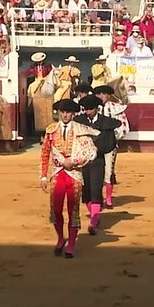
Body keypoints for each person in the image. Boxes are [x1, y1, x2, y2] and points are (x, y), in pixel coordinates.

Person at [39, 99, 99, 258]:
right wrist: (44, 176)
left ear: (73, 114)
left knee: (73, 210)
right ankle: (60, 239)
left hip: (74, 174)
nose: (65, 115)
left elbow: (91, 152)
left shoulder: (81, 130)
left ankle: (71, 243)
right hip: (58, 173)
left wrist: (74, 161)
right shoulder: (51, 131)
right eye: (62, 112)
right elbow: (45, 153)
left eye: (68, 112)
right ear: (58, 113)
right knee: (56, 210)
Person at [75, 95, 123, 234]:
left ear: (97, 109)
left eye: (91, 109)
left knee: (95, 188)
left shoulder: (106, 122)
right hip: (82, 161)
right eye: (86, 109)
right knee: (85, 191)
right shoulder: (79, 121)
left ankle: (94, 220)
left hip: (98, 160)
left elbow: (111, 141)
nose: (88, 111)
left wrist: (99, 147)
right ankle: (95, 215)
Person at [93, 83, 128, 208]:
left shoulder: (116, 108)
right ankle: (97, 198)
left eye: (103, 94)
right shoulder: (92, 108)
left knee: (108, 172)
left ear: (108, 95)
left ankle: (108, 199)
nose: (101, 96)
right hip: (94, 145)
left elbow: (124, 127)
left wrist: (113, 138)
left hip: (109, 144)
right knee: (95, 172)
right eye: (98, 94)